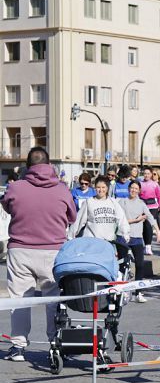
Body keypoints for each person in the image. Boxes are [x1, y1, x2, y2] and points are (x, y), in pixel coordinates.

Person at [2, 147, 77, 361]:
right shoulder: (62, 189)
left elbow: (7, 206)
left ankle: (18, 347)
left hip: (20, 249)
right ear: (49, 164)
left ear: (28, 165)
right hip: (53, 251)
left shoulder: (16, 187)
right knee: (53, 299)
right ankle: (55, 341)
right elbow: (72, 216)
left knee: (19, 300)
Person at [119, 180, 160, 302]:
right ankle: (124, 291)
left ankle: (138, 292)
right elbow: (121, 220)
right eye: (131, 188)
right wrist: (136, 220)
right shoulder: (122, 202)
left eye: (136, 188)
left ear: (139, 191)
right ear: (128, 189)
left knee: (140, 265)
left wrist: (158, 231)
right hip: (123, 237)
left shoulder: (141, 203)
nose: (133, 190)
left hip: (137, 238)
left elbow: (150, 217)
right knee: (123, 266)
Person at [70, 177, 131, 246]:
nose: (101, 190)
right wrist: (70, 236)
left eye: (103, 187)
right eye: (98, 187)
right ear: (95, 188)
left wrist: (126, 234)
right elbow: (79, 220)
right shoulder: (89, 202)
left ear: (107, 188)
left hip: (108, 243)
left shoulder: (113, 202)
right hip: (92, 242)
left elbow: (122, 219)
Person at [139, 167, 160, 255]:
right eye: (145, 173)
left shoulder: (155, 185)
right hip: (142, 206)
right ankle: (144, 245)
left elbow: (159, 198)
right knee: (143, 226)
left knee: (148, 225)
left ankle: (148, 246)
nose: (146, 175)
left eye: (148, 173)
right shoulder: (140, 184)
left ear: (151, 174)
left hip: (152, 206)